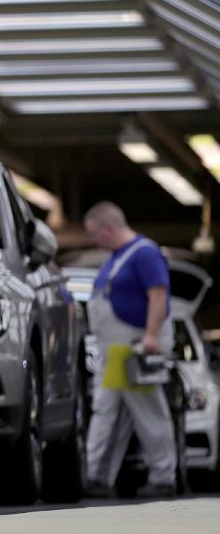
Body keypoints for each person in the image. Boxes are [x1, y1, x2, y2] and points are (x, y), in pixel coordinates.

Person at [82, 201, 176, 499]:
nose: (94, 241)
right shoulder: (117, 258)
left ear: (108, 228)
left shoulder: (145, 254)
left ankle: (163, 476)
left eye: (95, 234)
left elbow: (158, 295)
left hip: (133, 348)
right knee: (109, 410)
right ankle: (97, 476)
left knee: (147, 410)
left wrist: (150, 337)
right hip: (115, 351)